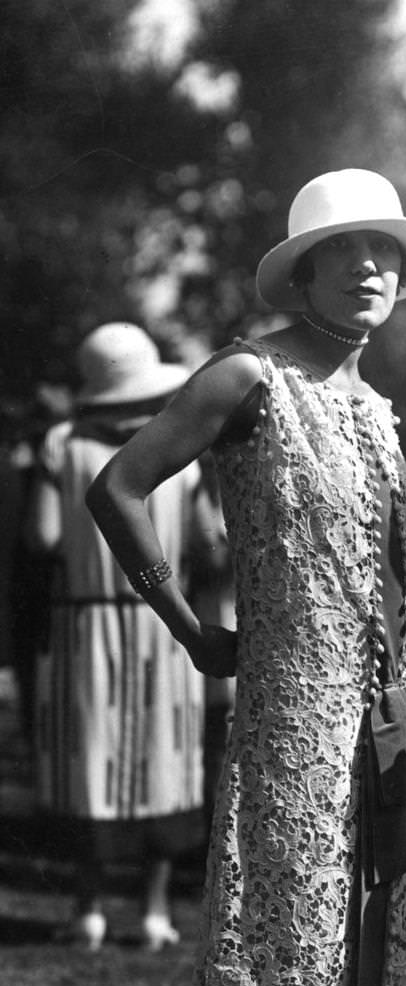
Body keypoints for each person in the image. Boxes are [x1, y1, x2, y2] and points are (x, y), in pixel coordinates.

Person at [86, 168, 406, 986]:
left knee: (352, 940)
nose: (371, 267)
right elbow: (119, 484)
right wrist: (192, 632)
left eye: (385, 251)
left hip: (379, 714)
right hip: (289, 705)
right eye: (347, 251)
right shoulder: (251, 376)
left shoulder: (374, 405)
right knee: (262, 934)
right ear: (301, 271)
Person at [25, 324, 206, 951]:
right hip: (164, 620)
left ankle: (89, 910)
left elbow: (41, 538)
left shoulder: (59, 444)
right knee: (165, 760)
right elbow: (210, 541)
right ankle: (155, 911)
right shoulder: (184, 448)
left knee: (89, 761)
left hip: (86, 621)